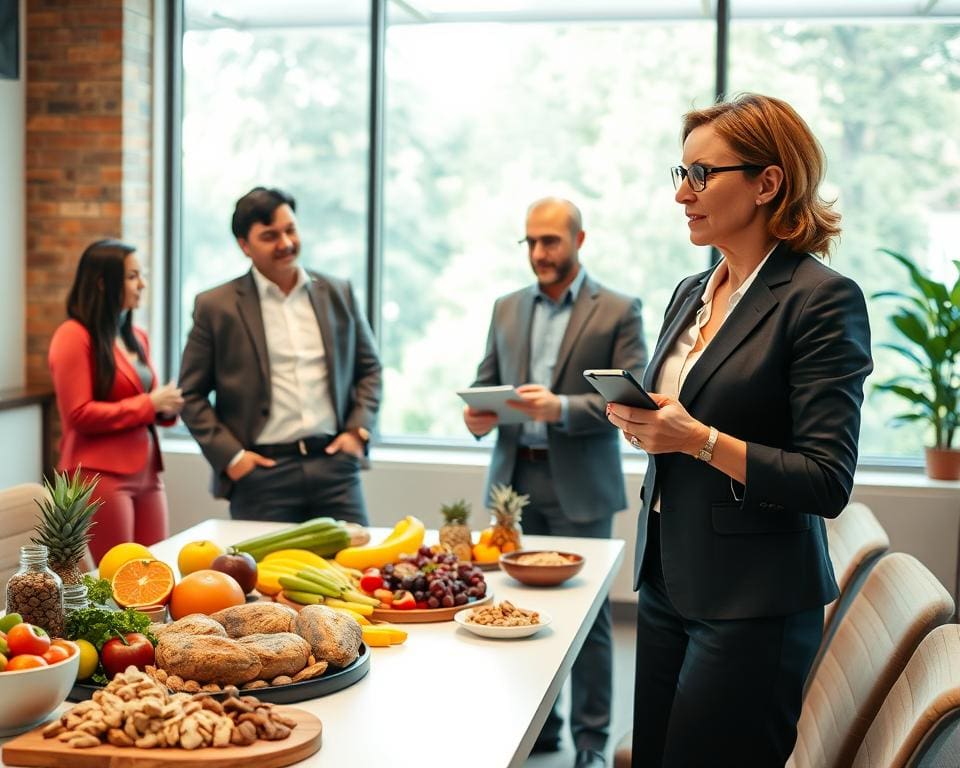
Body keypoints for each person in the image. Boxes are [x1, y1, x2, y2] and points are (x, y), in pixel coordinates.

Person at [606, 93, 873, 767]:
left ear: (767, 182)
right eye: (681, 174)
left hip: (753, 603)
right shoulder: (690, 292)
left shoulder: (821, 299)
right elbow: (679, 417)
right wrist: (641, 420)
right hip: (668, 576)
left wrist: (695, 438)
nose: (682, 194)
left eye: (701, 175)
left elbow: (826, 479)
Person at [465, 197, 647, 768]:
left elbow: (633, 397)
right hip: (513, 488)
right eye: (531, 243)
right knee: (515, 607)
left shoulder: (618, 309)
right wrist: (477, 413)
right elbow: (486, 382)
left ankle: (591, 744)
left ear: (579, 240)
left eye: (550, 241)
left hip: (580, 489)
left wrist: (560, 408)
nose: (539, 253)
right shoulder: (506, 307)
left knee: (590, 619)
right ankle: (539, 729)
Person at [179, 186, 381, 525]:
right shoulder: (216, 307)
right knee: (262, 576)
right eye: (270, 236)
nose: (286, 243)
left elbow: (369, 368)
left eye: (290, 230)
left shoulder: (337, 292)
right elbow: (190, 394)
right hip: (261, 478)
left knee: (357, 572)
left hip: (336, 468)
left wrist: (358, 432)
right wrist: (233, 457)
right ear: (244, 245)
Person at [49, 239, 183, 562]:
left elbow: (141, 399)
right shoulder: (73, 336)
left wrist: (166, 408)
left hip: (148, 474)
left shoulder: (137, 338)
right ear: (102, 282)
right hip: (101, 477)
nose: (143, 284)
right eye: (132, 276)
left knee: (153, 572)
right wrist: (150, 405)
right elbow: (78, 413)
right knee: (114, 579)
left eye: (142, 275)